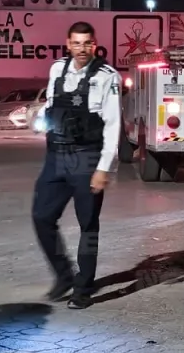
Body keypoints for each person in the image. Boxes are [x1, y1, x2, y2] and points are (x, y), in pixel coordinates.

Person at [32, 20, 123, 310]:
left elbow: (113, 124)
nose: (82, 49)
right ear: (68, 43)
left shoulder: (108, 76)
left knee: (88, 226)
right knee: (41, 216)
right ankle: (64, 275)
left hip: (88, 158)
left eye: (87, 43)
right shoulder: (57, 69)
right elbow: (50, 104)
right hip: (56, 156)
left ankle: (83, 288)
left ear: (94, 44)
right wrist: (41, 122)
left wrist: (103, 168)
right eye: (77, 43)